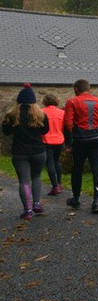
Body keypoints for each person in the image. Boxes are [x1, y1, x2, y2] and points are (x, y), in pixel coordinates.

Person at [2, 83, 49, 220]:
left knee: (24, 181)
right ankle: (37, 204)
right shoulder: (41, 115)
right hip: (39, 151)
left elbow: (6, 132)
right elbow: (45, 131)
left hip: (20, 152)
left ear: (19, 100)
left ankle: (27, 210)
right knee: (36, 177)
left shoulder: (12, 115)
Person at [63, 78, 98, 214]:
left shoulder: (72, 102)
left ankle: (76, 199)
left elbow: (67, 124)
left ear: (76, 89)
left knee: (77, 169)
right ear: (88, 88)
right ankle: (97, 201)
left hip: (81, 140)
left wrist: (68, 143)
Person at [41, 93, 66, 195]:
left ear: (44, 102)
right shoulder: (62, 113)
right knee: (56, 162)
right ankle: (59, 184)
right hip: (59, 141)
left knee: (49, 163)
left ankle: (55, 186)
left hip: (46, 141)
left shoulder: (41, 112)